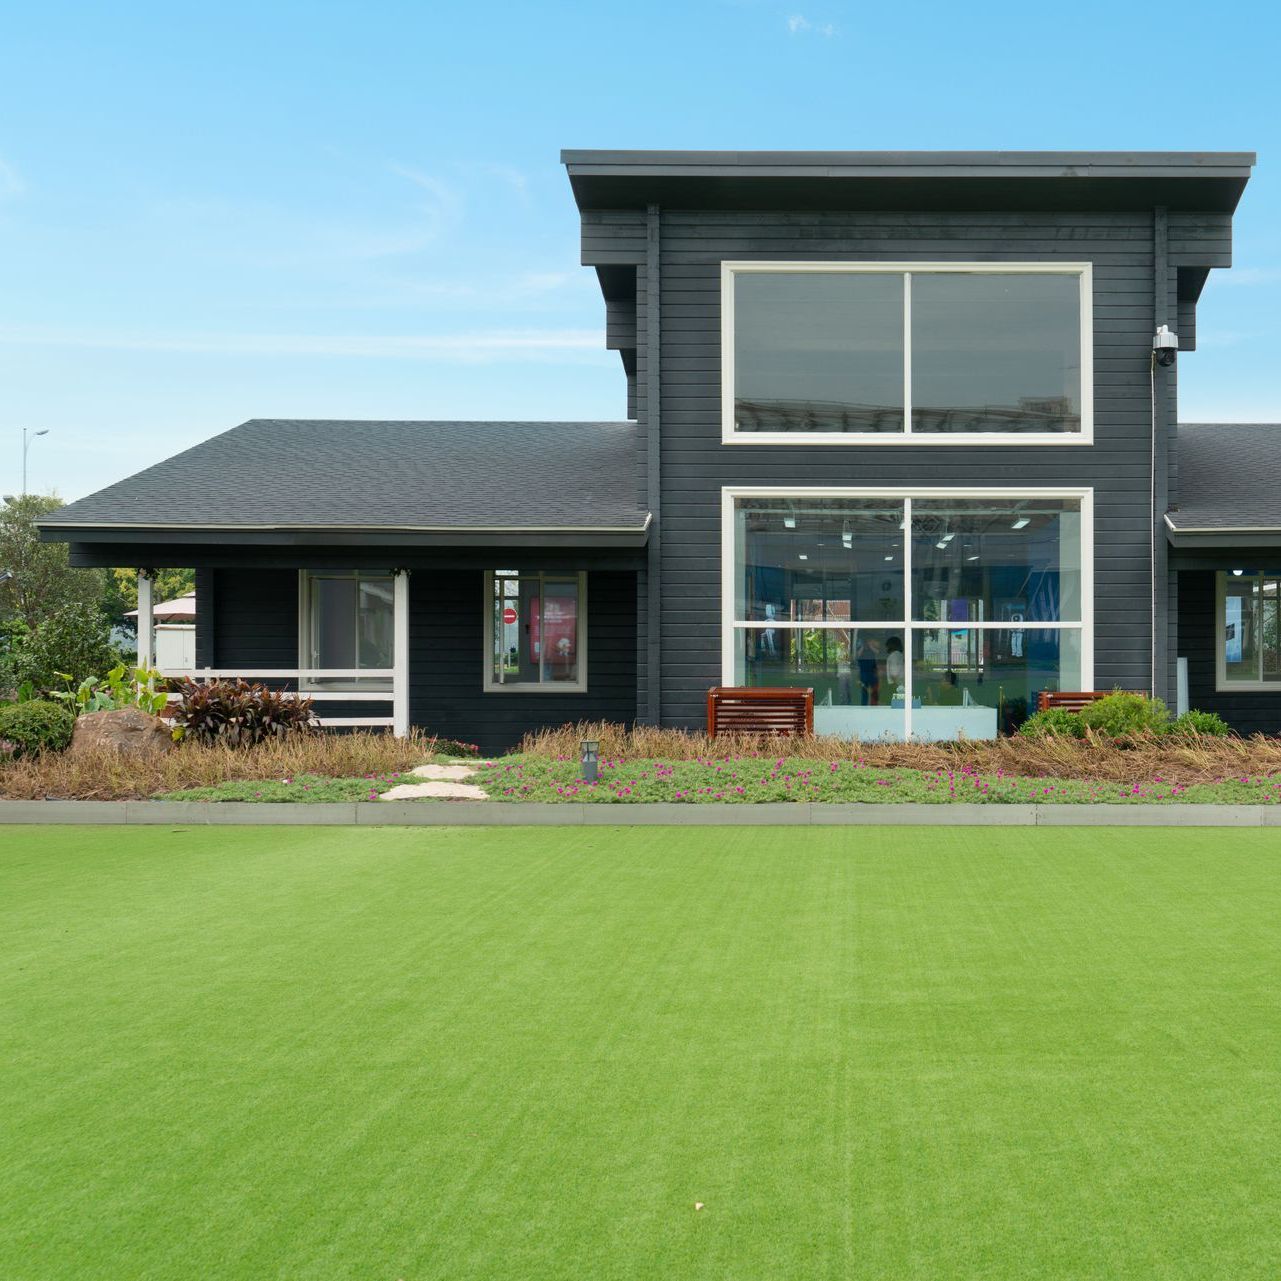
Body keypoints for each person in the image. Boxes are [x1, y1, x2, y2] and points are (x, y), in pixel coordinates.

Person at [855, 635, 881, 705]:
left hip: (872, 672)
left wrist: (870, 646)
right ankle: (864, 707)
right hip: (863, 673)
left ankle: (874, 705)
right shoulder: (860, 647)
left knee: (874, 691)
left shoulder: (872, 648)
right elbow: (857, 655)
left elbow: (878, 652)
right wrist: (863, 647)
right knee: (864, 692)